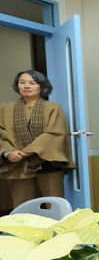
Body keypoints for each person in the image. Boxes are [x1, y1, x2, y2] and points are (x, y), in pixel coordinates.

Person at [0, 70, 74, 207]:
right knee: (22, 205)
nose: (26, 86)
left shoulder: (53, 108)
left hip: (48, 162)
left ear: (42, 86)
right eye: (22, 82)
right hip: (18, 164)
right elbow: (1, 135)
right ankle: (23, 229)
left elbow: (55, 133)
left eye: (32, 83)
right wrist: (8, 153)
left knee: (54, 204)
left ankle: (56, 228)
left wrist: (30, 150)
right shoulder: (4, 109)